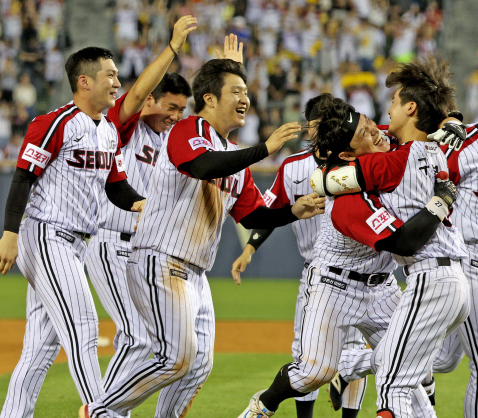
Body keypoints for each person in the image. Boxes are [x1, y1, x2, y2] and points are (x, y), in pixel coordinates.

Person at [80, 56, 325, 418]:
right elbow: (201, 165)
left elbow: (252, 214)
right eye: (236, 91)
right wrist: (264, 149)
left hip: (195, 272)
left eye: (246, 92)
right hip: (159, 257)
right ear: (210, 99)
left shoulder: (233, 157)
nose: (245, 99)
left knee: (197, 365)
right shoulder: (187, 130)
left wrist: (293, 211)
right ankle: (101, 411)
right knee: (176, 357)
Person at [239, 57, 469, 418]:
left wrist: (451, 118)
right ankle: (265, 403)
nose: (377, 131)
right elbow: (396, 235)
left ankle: (352, 364)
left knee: (411, 372)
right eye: (365, 132)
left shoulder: (384, 147)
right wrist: (441, 197)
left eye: (371, 123)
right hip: (334, 285)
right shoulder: (350, 200)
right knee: (315, 371)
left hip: (382, 287)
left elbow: (422, 111)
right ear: (347, 153)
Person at [320, 71, 478, 418]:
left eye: (394, 104)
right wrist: (451, 118)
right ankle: (354, 364)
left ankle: (352, 363)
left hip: (438, 272)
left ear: (410, 108)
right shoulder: (441, 149)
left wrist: (322, 179)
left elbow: (327, 181)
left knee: (405, 379)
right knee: (453, 362)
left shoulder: (401, 158)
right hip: (461, 265)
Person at [0, 46, 146, 417]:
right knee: (83, 326)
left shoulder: (108, 131)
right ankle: (103, 412)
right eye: (109, 75)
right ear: (84, 81)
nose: (116, 82)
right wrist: (9, 234)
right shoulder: (55, 122)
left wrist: (144, 204)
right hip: (46, 235)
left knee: (40, 350)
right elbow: (23, 177)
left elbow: (117, 188)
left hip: (75, 244)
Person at [231, 93, 369, 418]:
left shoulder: (356, 162)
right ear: (308, 127)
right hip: (318, 272)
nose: (323, 130)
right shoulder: (293, 167)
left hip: (359, 269)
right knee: (306, 357)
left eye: (329, 123)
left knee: (355, 351)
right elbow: (271, 210)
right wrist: (249, 248)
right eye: (317, 123)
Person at [83, 15, 195, 415]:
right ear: (151, 100)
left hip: (144, 249)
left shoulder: (171, 139)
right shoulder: (124, 127)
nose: (176, 115)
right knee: (137, 336)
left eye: (182, 109)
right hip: (112, 240)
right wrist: (173, 48)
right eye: (170, 107)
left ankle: (106, 409)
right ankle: (101, 410)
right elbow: (136, 95)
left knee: (148, 338)